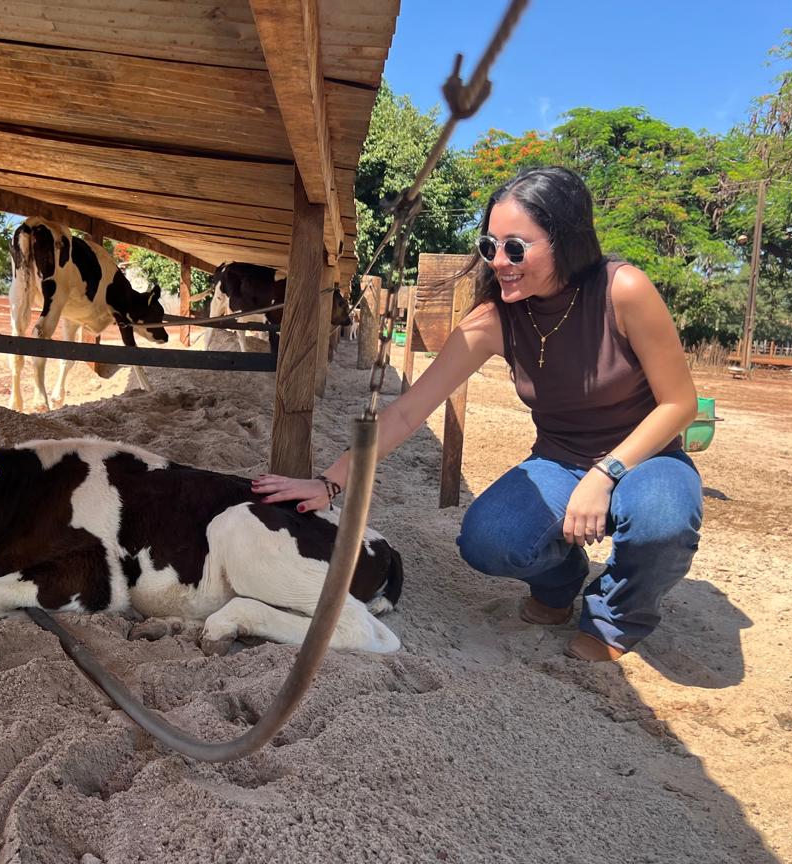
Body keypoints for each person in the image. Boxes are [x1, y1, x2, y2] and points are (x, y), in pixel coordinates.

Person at [252, 166, 703, 662]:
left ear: (566, 241)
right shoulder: (494, 319)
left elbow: (680, 404)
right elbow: (407, 412)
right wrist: (329, 482)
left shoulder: (624, 290)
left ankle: (617, 616)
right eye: (490, 246)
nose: (499, 262)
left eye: (516, 247)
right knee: (488, 541)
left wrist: (605, 473)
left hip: (646, 455)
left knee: (663, 522)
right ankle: (560, 584)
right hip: (560, 459)